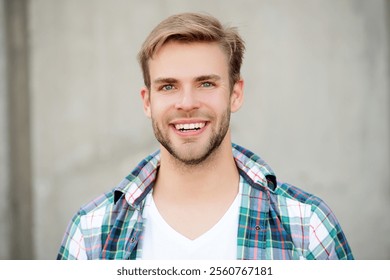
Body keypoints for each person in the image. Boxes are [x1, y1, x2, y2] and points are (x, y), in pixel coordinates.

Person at [57, 12, 353, 260]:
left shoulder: (307, 226)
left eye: (206, 84)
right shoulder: (92, 234)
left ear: (235, 95)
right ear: (147, 102)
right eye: (168, 86)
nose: (186, 103)